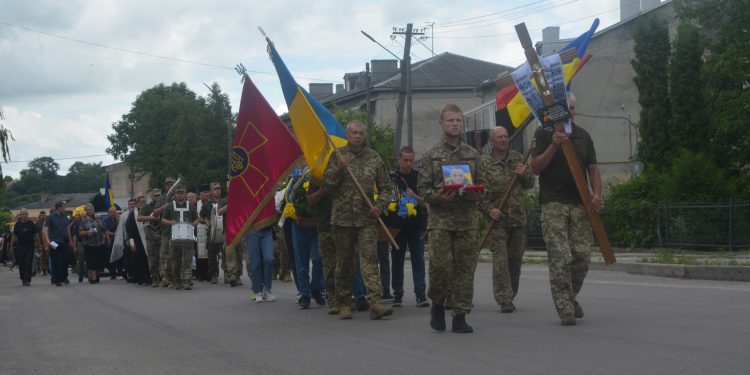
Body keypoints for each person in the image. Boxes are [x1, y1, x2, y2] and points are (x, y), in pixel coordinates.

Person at [530, 92, 601, 326]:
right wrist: (553, 145)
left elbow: (593, 169)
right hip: (553, 202)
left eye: (571, 107)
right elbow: (536, 168)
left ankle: (570, 296)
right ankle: (565, 308)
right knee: (560, 256)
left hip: (579, 202)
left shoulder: (583, 135)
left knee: (582, 255)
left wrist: (597, 194)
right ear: (555, 111)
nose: (569, 111)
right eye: (565, 107)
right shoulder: (543, 133)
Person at [418, 104, 485, 333]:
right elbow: (423, 189)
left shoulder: (473, 155)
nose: (455, 124)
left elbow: (486, 187)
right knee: (440, 268)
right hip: (440, 223)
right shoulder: (431, 156)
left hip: (467, 221)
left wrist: (478, 194)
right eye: (450, 120)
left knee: (465, 271)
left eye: (458, 120)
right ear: (441, 124)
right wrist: (439, 197)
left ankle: (460, 315)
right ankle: (437, 304)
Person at [324, 121, 394, 320]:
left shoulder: (374, 157)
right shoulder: (337, 155)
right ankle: (345, 302)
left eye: (361, 133)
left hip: (366, 219)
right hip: (342, 220)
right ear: (347, 134)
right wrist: (339, 168)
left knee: (369, 260)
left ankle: (375, 303)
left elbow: (387, 187)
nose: (357, 136)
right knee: (344, 262)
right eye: (354, 133)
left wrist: (379, 205)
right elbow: (327, 186)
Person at [479, 126, 535, 313]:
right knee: (501, 261)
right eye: (499, 137)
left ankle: (511, 293)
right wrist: (489, 210)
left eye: (506, 136)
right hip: (497, 220)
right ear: (491, 141)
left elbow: (530, 184)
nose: (504, 140)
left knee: (514, 260)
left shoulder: (517, 158)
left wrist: (524, 173)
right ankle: (504, 298)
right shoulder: (484, 162)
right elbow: (477, 194)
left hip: (517, 219)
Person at [390, 146, 429, 308]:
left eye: (411, 160)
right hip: (398, 226)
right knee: (397, 260)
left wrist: (415, 196)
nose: (408, 163)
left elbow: (426, 202)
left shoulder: (419, 177)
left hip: (417, 226)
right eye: (405, 160)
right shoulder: (392, 177)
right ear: (399, 159)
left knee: (418, 259)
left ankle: (420, 294)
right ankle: (397, 294)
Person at [290, 167, 326, 309]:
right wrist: (295, 213)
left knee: (319, 259)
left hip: (317, 224)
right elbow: (290, 197)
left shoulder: (322, 174)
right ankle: (304, 294)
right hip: (300, 225)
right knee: (301, 262)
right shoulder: (297, 176)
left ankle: (316, 288)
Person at [161, 184, 199, 290]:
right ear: (175, 194)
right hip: (174, 237)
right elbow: (163, 219)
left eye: (182, 193)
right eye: (178, 193)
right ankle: (176, 281)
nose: (180, 195)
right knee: (175, 259)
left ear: (185, 194)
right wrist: (170, 222)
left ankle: (186, 281)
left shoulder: (191, 205)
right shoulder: (170, 206)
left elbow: (197, 219)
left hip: (187, 236)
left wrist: (192, 224)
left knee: (187, 259)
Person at [199, 182, 226, 284]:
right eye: (215, 189)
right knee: (212, 256)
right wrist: (206, 221)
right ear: (210, 191)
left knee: (226, 255)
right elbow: (201, 217)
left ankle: (228, 274)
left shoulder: (224, 201)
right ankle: (214, 275)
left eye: (219, 188)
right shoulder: (207, 203)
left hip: (223, 232)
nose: (217, 190)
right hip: (212, 233)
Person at [138, 189, 163, 287]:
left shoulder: (164, 205)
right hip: (151, 236)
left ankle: (165, 278)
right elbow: (139, 218)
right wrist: (152, 218)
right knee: (153, 259)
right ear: (152, 197)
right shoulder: (146, 207)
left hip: (163, 235)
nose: (157, 197)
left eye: (159, 195)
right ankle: (155, 278)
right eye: (155, 196)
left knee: (165, 258)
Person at [79, 204, 109, 284]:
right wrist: (87, 232)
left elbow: (104, 229)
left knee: (99, 261)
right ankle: (93, 278)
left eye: (90, 209)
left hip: (100, 242)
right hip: (89, 244)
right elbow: (80, 232)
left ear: (93, 210)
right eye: (87, 210)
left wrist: (107, 239)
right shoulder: (83, 219)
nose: (89, 211)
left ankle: (96, 275)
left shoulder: (99, 218)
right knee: (91, 261)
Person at [43, 201, 71, 286]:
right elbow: (46, 230)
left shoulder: (65, 217)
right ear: (58, 208)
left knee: (64, 260)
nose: (64, 209)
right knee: (55, 260)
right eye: (63, 207)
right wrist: (48, 241)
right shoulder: (50, 217)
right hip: (54, 242)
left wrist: (70, 240)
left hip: (64, 241)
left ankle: (63, 277)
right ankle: (56, 279)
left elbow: (68, 228)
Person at [125, 195, 151, 285]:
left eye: (144, 202)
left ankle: (150, 278)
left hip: (149, 240)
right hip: (138, 241)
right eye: (141, 202)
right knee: (139, 261)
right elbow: (129, 229)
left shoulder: (149, 212)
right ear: (137, 203)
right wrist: (132, 243)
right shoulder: (132, 214)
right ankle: (141, 279)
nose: (143, 203)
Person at [11, 208, 37, 286]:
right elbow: (14, 236)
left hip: (30, 246)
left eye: (26, 214)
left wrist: (39, 245)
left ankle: (28, 279)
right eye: (23, 214)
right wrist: (10, 247)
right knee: (21, 263)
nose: (24, 216)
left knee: (28, 262)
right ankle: (23, 278)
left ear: (27, 215)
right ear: (20, 215)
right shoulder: (17, 224)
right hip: (20, 247)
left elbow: (36, 235)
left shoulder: (31, 224)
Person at [103, 206, 122, 280]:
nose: (112, 213)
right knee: (110, 258)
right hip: (110, 242)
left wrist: (113, 233)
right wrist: (114, 234)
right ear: (108, 213)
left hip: (118, 242)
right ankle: (113, 273)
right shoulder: (105, 221)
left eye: (114, 212)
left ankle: (120, 272)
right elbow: (105, 231)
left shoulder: (119, 220)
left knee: (119, 257)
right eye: (111, 212)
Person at [34, 211, 48, 276]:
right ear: (40, 216)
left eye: (44, 215)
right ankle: (40, 269)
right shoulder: (37, 223)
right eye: (41, 215)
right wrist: (37, 243)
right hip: (39, 242)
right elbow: (35, 234)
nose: (43, 216)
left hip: (46, 241)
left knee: (46, 256)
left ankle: (45, 269)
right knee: (40, 256)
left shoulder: (47, 223)